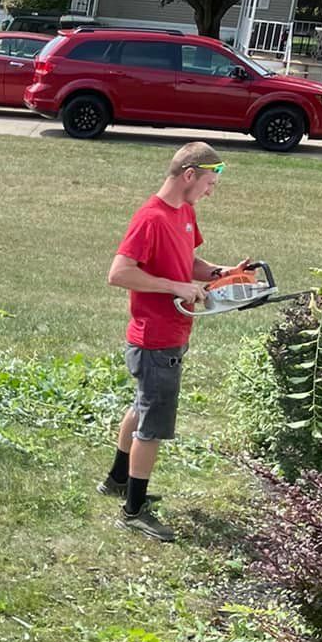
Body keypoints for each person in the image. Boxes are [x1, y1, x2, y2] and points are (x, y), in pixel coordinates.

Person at [105, 140, 237, 543]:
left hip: (172, 334)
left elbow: (188, 263)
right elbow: (119, 273)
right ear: (189, 175)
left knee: (141, 408)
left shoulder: (184, 213)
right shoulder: (152, 218)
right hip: (155, 338)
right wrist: (174, 287)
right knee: (153, 425)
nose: (211, 190)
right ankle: (134, 510)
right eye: (209, 182)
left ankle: (116, 480)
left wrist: (219, 271)